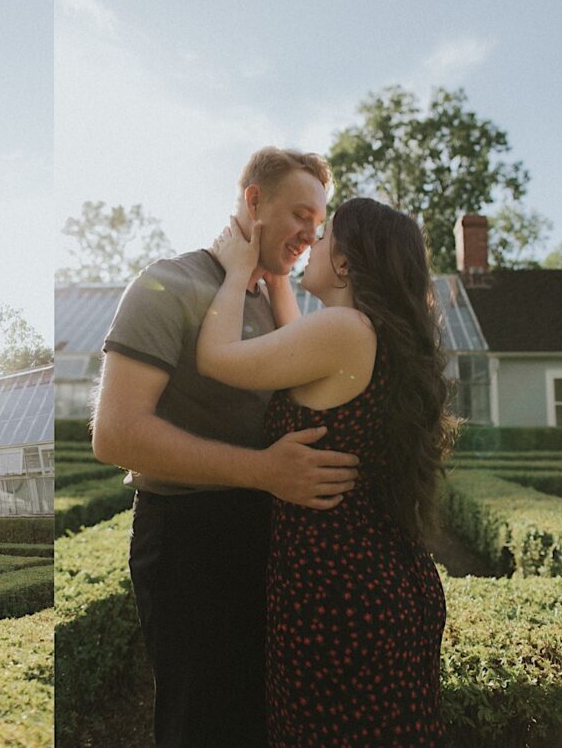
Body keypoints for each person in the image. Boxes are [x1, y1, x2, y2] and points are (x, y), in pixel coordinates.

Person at [92, 147, 361, 748]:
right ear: (254, 201)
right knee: (203, 726)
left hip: (270, 530)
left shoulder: (276, 298)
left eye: (318, 225)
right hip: (194, 541)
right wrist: (264, 471)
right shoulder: (169, 283)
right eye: (299, 216)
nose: (309, 236)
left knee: (262, 723)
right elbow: (115, 433)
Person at [197, 198, 456, 746]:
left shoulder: (343, 330)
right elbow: (297, 357)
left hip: (338, 597)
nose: (309, 242)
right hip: (377, 583)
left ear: (345, 264)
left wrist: (240, 270)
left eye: (323, 236)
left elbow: (216, 358)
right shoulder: (365, 335)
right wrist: (279, 283)